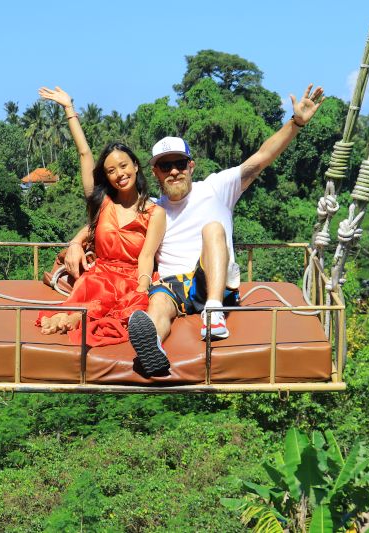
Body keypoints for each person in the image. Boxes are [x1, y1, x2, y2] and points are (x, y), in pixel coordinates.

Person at [125, 84, 325, 375]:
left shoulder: (216, 188)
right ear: (155, 172)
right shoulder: (153, 208)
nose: (173, 171)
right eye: (165, 166)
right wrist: (80, 242)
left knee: (213, 228)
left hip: (212, 282)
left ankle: (214, 312)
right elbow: (108, 214)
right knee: (157, 302)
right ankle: (152, 345)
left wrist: (295, 124)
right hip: (174, 287)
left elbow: (261, 158)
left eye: (179, 163)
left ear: (191, 166)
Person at [36, 87, 166, 347]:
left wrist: (141, 286)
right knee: (93, 286)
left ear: (135, 165)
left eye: (123, 165)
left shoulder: (154, 212)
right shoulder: (102, 204)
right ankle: (73, 315)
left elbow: (146, 256)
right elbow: (84, 154)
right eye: (110, 170)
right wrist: (68, 109)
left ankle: (76, 318)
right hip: (100, 274)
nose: (119, 173)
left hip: (132, 277)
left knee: (128, 307)